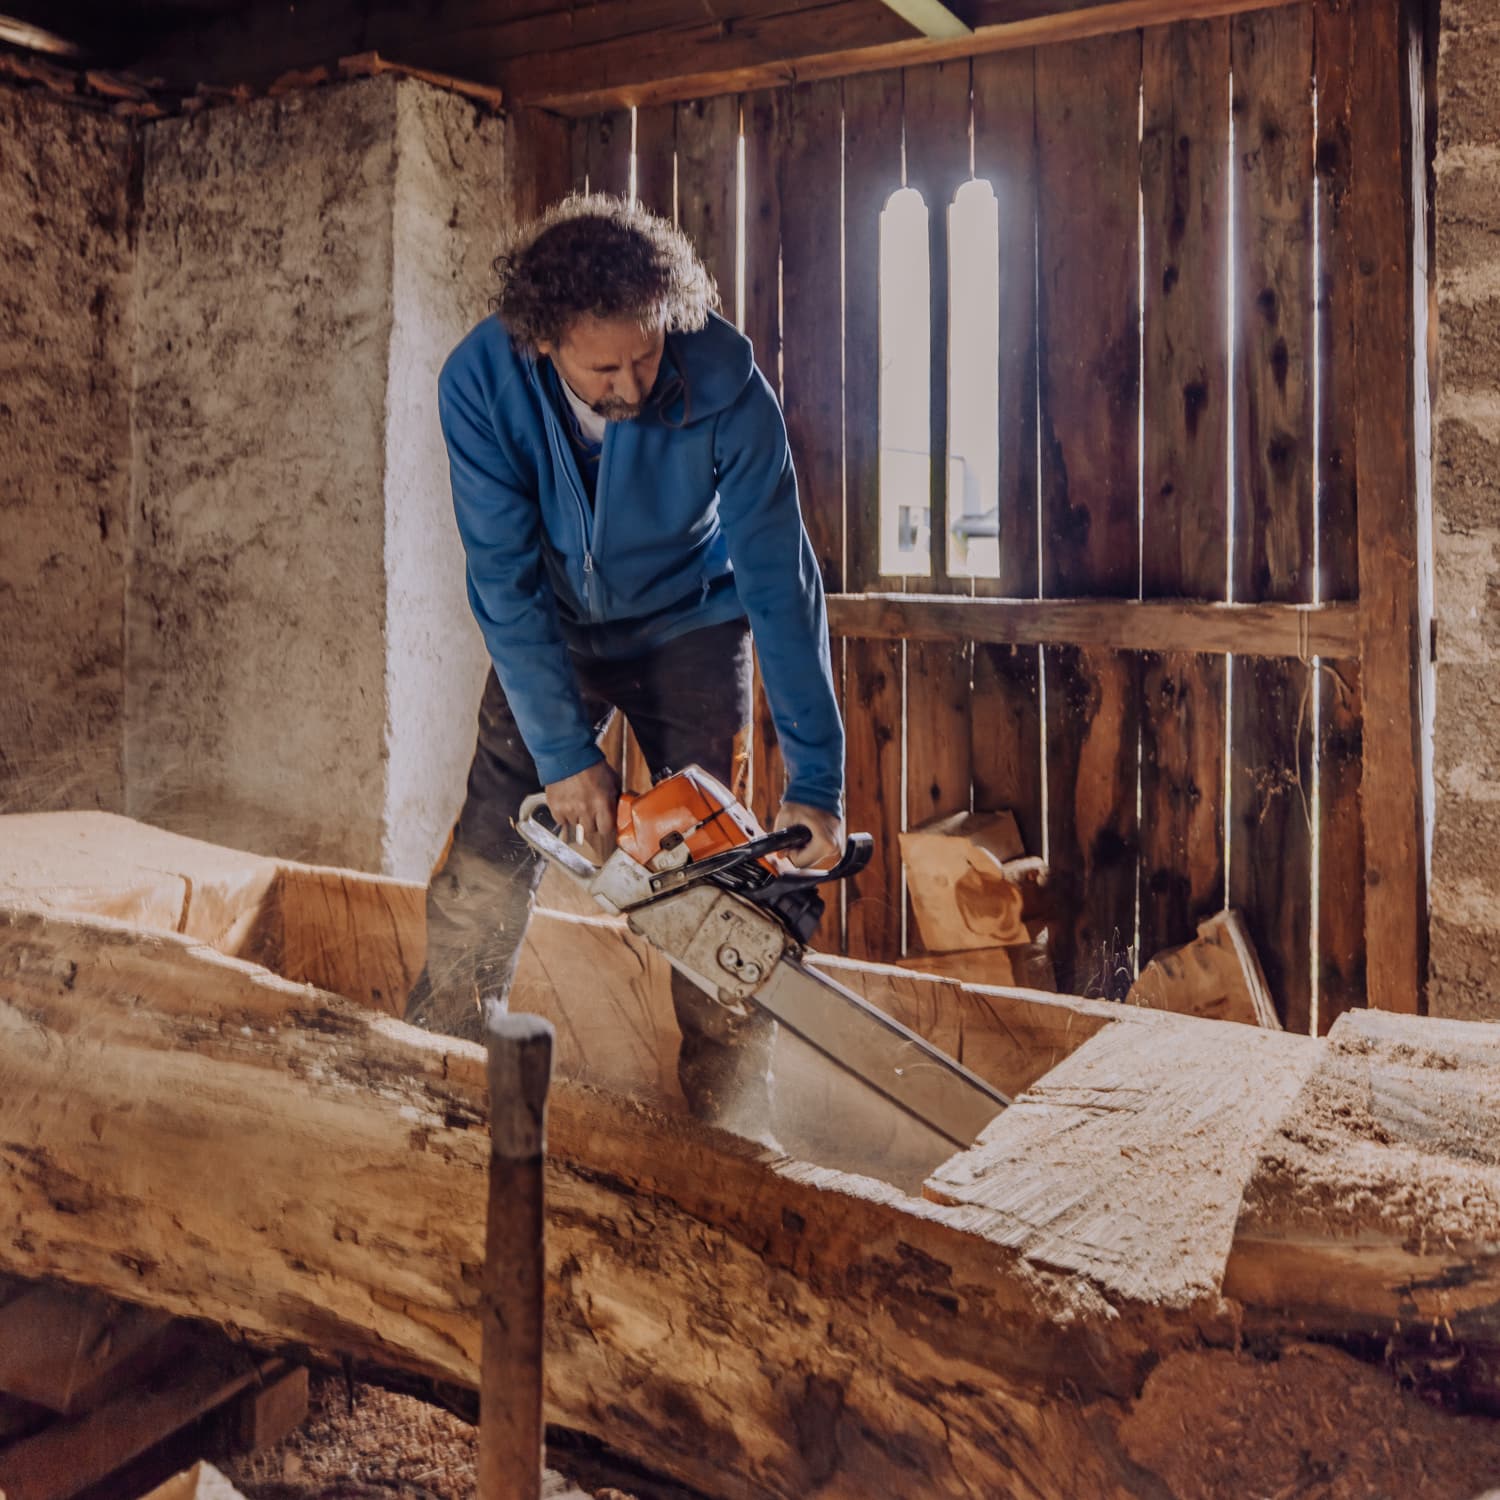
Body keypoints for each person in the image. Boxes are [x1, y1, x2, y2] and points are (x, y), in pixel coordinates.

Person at [405, 193, 846, 1140]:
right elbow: (503, 582)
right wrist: (567, 755)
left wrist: (816, 780)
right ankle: (442, 1057)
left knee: (716, 868)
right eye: (604, 369)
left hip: (692, 621)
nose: (635, 385)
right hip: (554, 627)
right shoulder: (480, 382)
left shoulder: (726, 378)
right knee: (495, 830)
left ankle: (732, 1115)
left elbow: (781, 580)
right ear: (543, 344)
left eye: (646, 355)